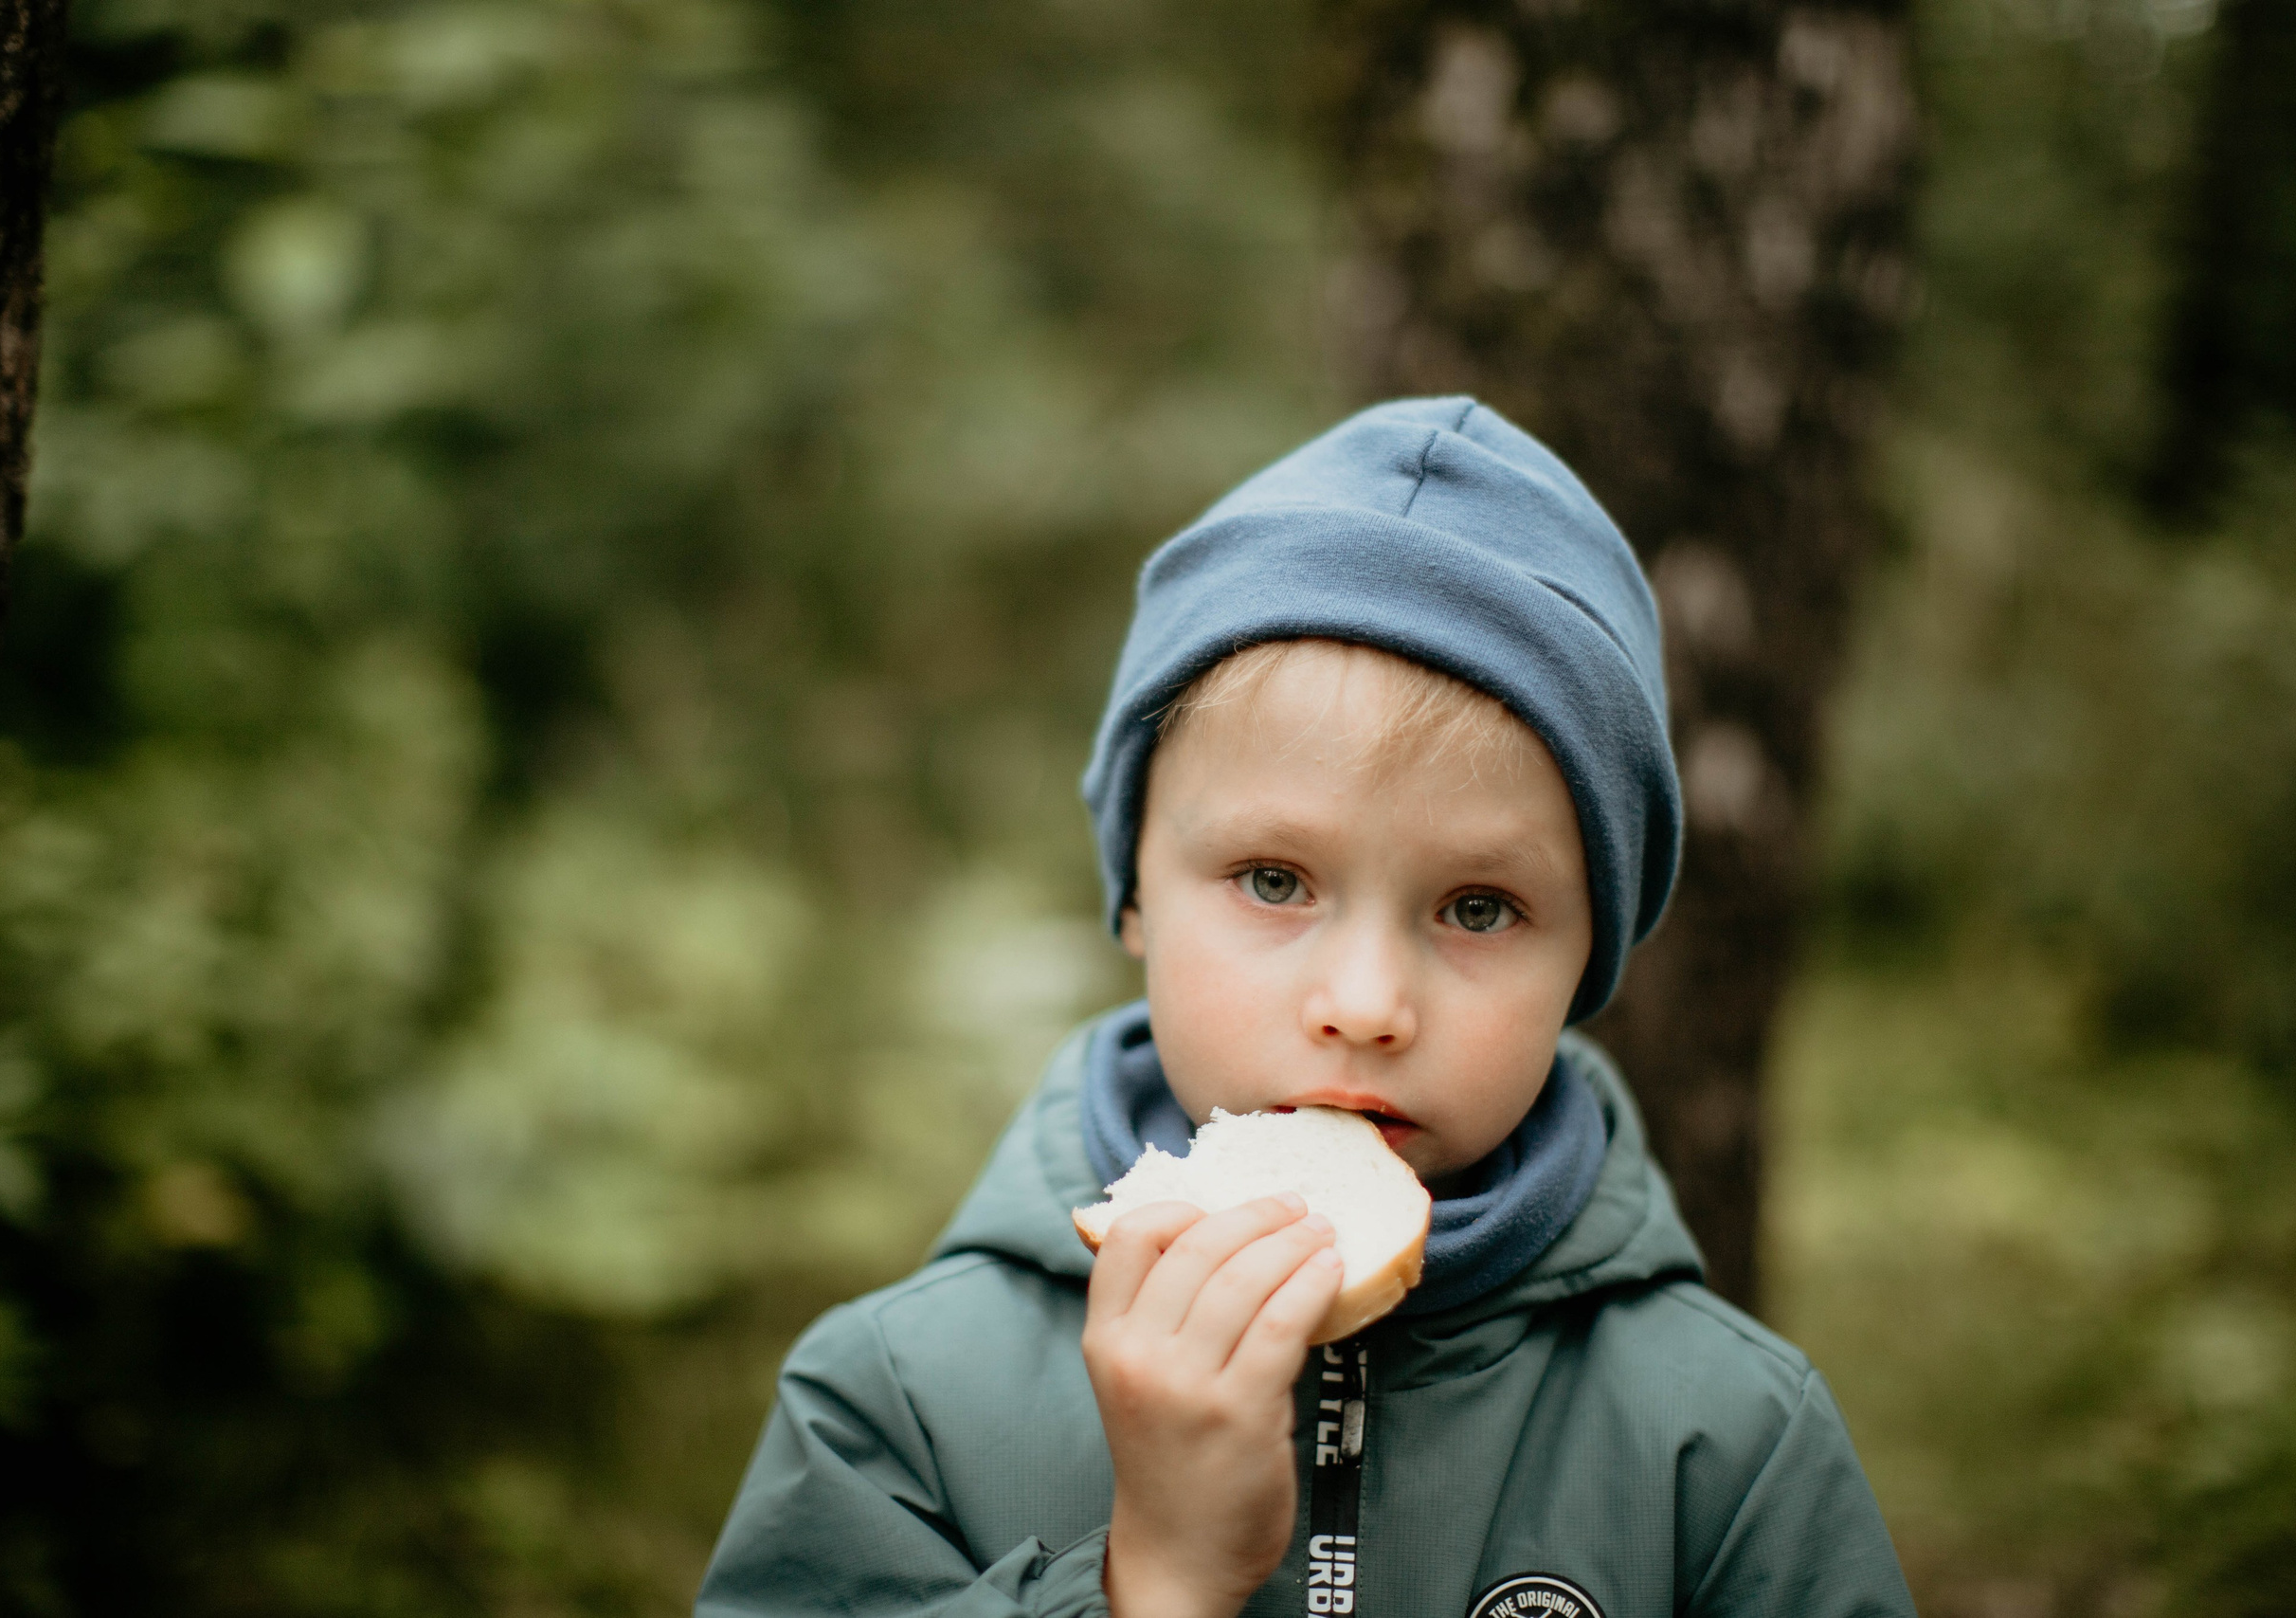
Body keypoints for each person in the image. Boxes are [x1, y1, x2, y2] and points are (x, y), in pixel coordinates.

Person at [696, 397, 1916, 1618]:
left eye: (1480, 908)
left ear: (1589, 960)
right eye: (1274, 882)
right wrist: (1152, 1585)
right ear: (1133, 900)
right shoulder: (896, 1406)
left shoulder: (1728, 1448)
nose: (1367, 1006)